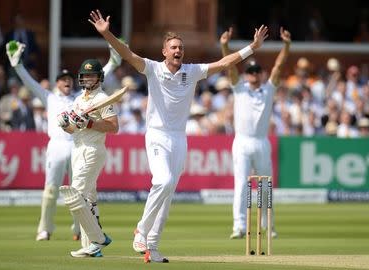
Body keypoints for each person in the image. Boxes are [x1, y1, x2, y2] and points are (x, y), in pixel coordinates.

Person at [88, 9, 268, 263]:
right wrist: (107, 34)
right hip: (157, 135)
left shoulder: (192, 71)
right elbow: (128, 55)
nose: (177, 50)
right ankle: (141, 229)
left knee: (169, 191)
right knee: (163, 180)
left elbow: (225, 63)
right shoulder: (152, 68)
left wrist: (253, 47)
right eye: (173, 47)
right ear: (164, 52)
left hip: (179, 138)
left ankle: (154, 246)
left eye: (180, 47)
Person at [6, 40, 122, 242]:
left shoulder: (81, 97)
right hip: (58, 146)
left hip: (80, 145)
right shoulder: (49, 97)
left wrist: (113, 61)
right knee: (52, 190)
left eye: (69, 79)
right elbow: (30, 84)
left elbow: (95, 76)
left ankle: (80, 230)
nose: (66, 82)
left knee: (80, 192)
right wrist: (18, 66)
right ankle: (45, 229)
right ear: (57, 83)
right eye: (62, 79)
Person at [219, 26, 290, 239]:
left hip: (261, 142)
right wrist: (224, 46)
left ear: (260, 73)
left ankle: (268, 224)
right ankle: (239, 226)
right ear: (246, 74)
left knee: (265, 185)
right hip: (241, 142)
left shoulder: (268, 89)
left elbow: (279, 66)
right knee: (241, 184)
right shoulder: (239, 88)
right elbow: (230, 66)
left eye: (256, 71)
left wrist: (286, 45)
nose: (252, 75)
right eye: (249, 72)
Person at [57, 58, 119, 258]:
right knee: (89, 201)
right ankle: (92, 246)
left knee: (75, 195)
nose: (87, 78)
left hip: (93, 149)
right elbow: (73, 130)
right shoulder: (78, 100)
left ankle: (99, 238)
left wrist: (91, 123)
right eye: (85, 75)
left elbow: (114, 127)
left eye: (91, 75)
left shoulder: (102, 98)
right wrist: (65, 123)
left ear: (99, 77)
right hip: (77, 149)